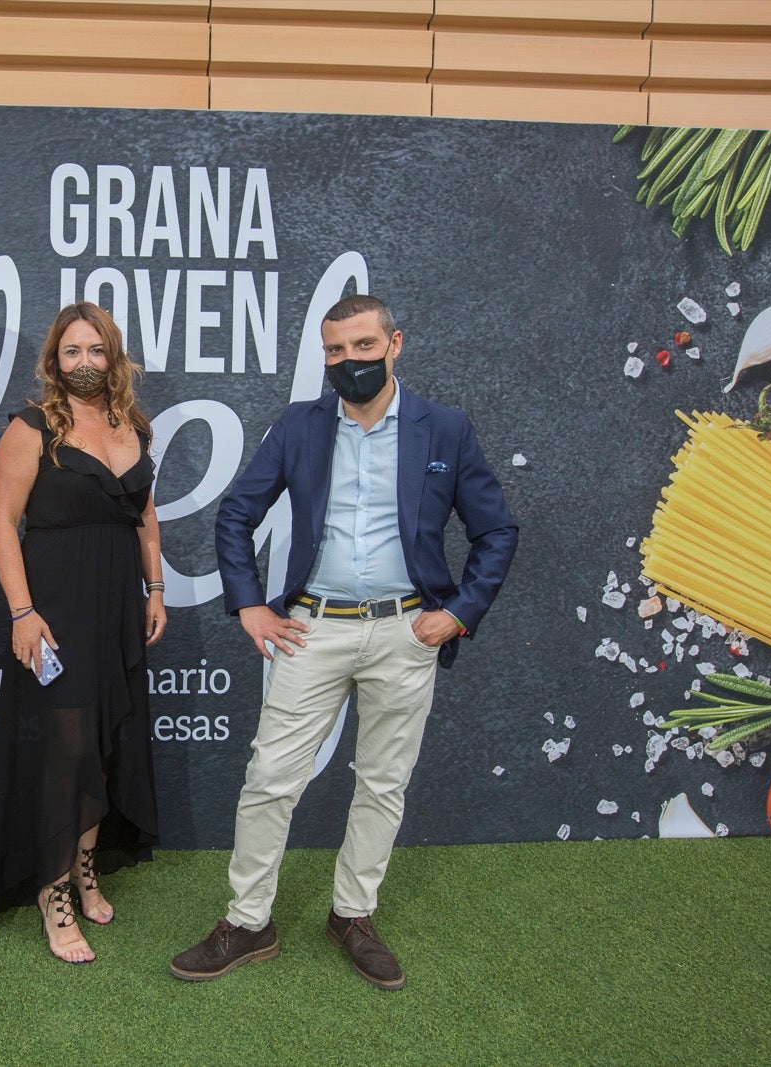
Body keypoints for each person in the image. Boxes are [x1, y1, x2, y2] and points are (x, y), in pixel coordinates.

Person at [170, 293, 517, 990]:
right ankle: (247, 921)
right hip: (312, 628)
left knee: (383, 783)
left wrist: (459, 613)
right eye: (335, 350)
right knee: (270, 778)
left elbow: (496, 531)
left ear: (395, 344)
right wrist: (249, 604)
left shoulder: (444, 429)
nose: (348, 361)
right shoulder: (299, 426)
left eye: (362, 346)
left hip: (406, 629)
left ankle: (353, 914)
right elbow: (237, 513)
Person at [0, 301, 166, 964]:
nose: (84, 361)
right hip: (53, 604)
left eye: (96, 350)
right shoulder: (30, 426)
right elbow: (2, 525)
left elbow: (144, 516)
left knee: (103, 741)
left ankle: (84, 869)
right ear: (55, 358)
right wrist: (21, 612)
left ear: (115, 356)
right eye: (71, 350)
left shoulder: (133, 423)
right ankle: (52, 890)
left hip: (117, 603)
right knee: (67, 746)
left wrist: (155, 587)